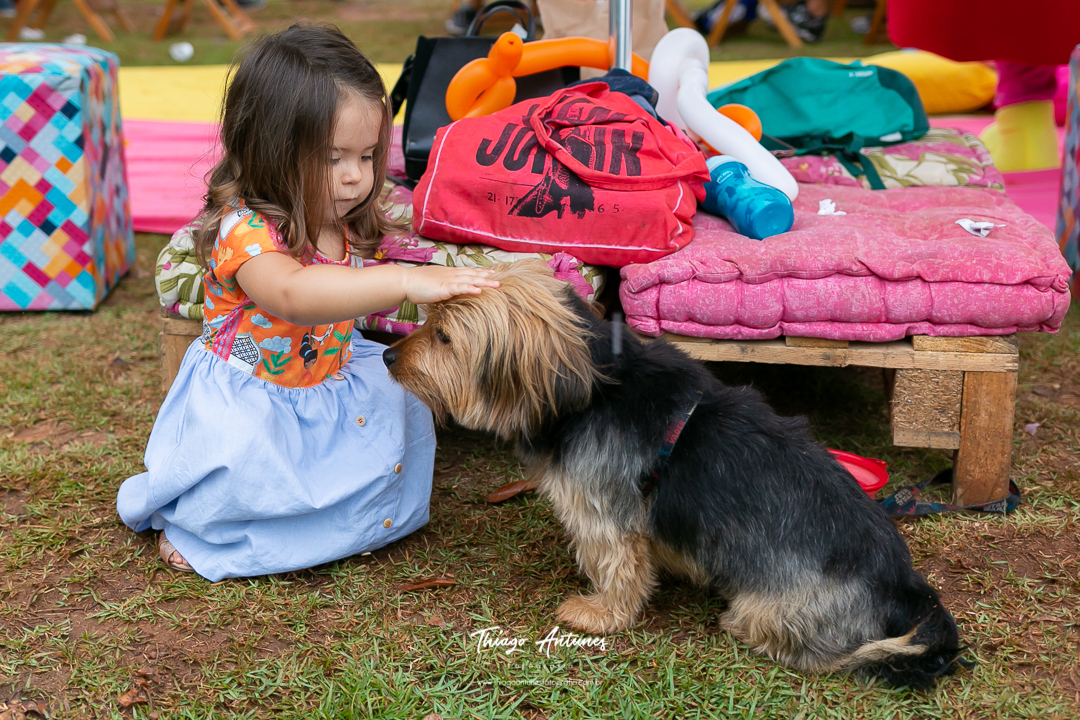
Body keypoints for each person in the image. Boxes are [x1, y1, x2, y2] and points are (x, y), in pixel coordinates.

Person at [116, 24, 499, 581]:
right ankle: (203, 528)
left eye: (368, 156)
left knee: (396, 408)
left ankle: (340, 524)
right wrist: (401, 281)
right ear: (269, 149)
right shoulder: (244, 230)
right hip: (255, 399)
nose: (355, 177)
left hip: (328, 376)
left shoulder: (330, 217)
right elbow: (294, 296)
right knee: (249, 470)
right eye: (333, 157)